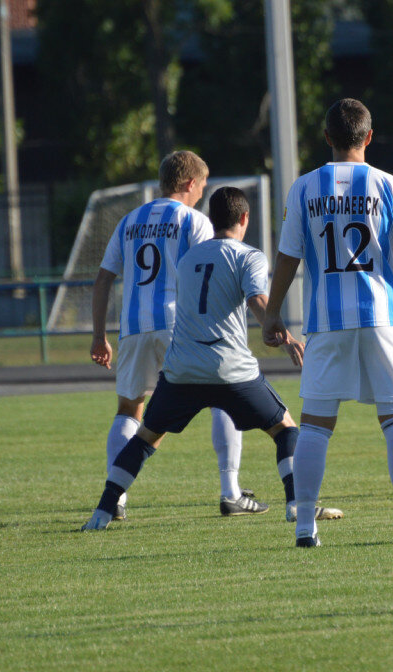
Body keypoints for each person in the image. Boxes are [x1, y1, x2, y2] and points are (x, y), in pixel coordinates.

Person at [262, 98, 393, 548]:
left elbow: (288, 256)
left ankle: (306, 528)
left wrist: (272, 313)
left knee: (316, 425)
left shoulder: (304, 188)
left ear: (327, 139)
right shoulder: (389, 185)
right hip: (383, 317)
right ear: (368, 136)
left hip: (327, 322)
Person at [83, 187, 317, 531]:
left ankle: (103, 512)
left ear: (212, 218)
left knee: (144, 435)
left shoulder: (189, 259)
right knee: (285, 429)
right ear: (244, 218)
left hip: (182, 369)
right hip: (229, 367)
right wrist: (282, 335)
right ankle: (294, 504)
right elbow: (258, 301)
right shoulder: (248, 256)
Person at [90, 150, 269, 519]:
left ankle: (117, 499)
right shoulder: (194, 221)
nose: (203, 192)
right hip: (180, 326)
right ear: (190, 183)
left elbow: (104, 277)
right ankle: (230, 491)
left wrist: (98, 335)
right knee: (222, 398)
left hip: (134, 326)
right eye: (202, 185)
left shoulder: (129, 220)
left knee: (129, 408)